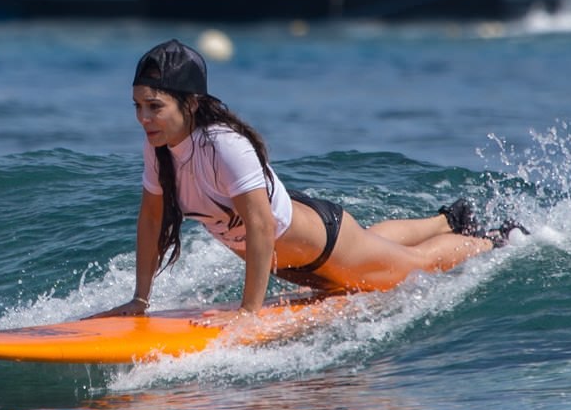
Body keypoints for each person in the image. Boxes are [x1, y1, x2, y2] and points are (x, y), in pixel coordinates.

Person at [104, 39, 515, 318]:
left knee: (414, 266)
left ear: (191, 103)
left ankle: (494, 240)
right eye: (138, 106)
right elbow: (151, 221)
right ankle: (447, 219)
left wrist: (250, 313)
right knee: (375, 244)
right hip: (294, 260)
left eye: (154, 106)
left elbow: (260, 225)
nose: (143, 118)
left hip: (324, 249)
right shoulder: (159, 149)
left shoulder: (223, 145)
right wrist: (140, 299)